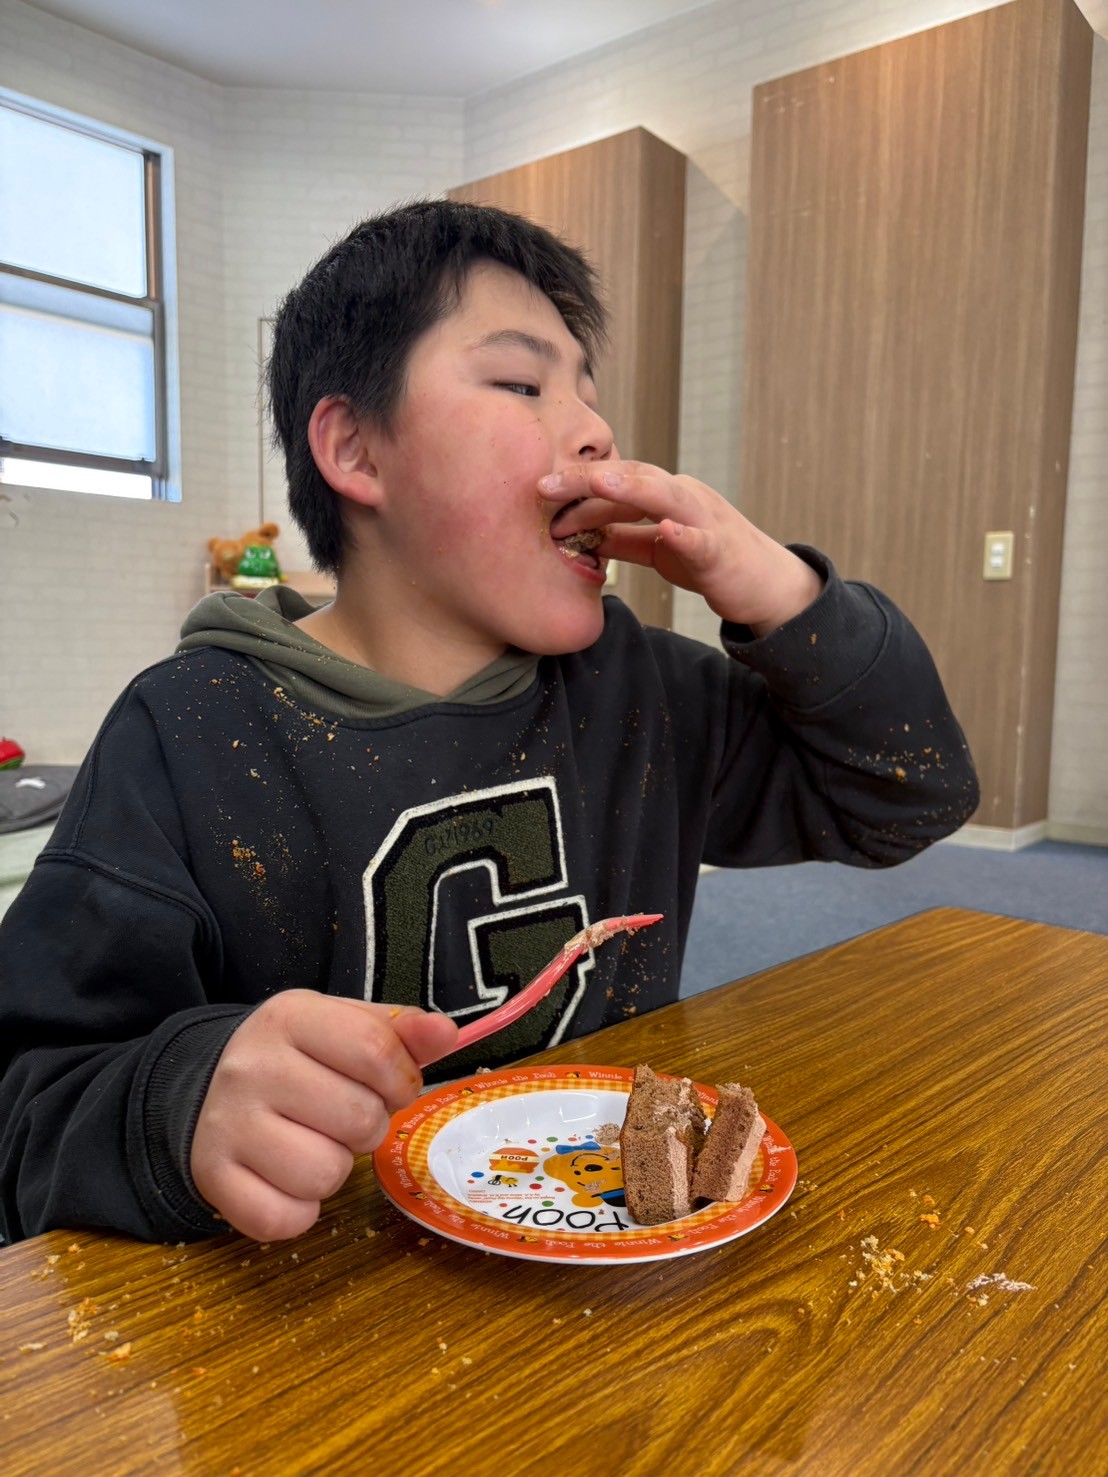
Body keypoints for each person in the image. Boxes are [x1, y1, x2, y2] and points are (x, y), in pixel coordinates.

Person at [0, 200, 978, 1248]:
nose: (596, 431)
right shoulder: (189, 732)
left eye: (589, 393)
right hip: (316, 1308)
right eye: (521, 384)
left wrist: (786, 596)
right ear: (356, 451)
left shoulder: (642, 691)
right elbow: (29, 1106)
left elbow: (907, 796)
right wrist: (182, 1103)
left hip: (612, 1265)